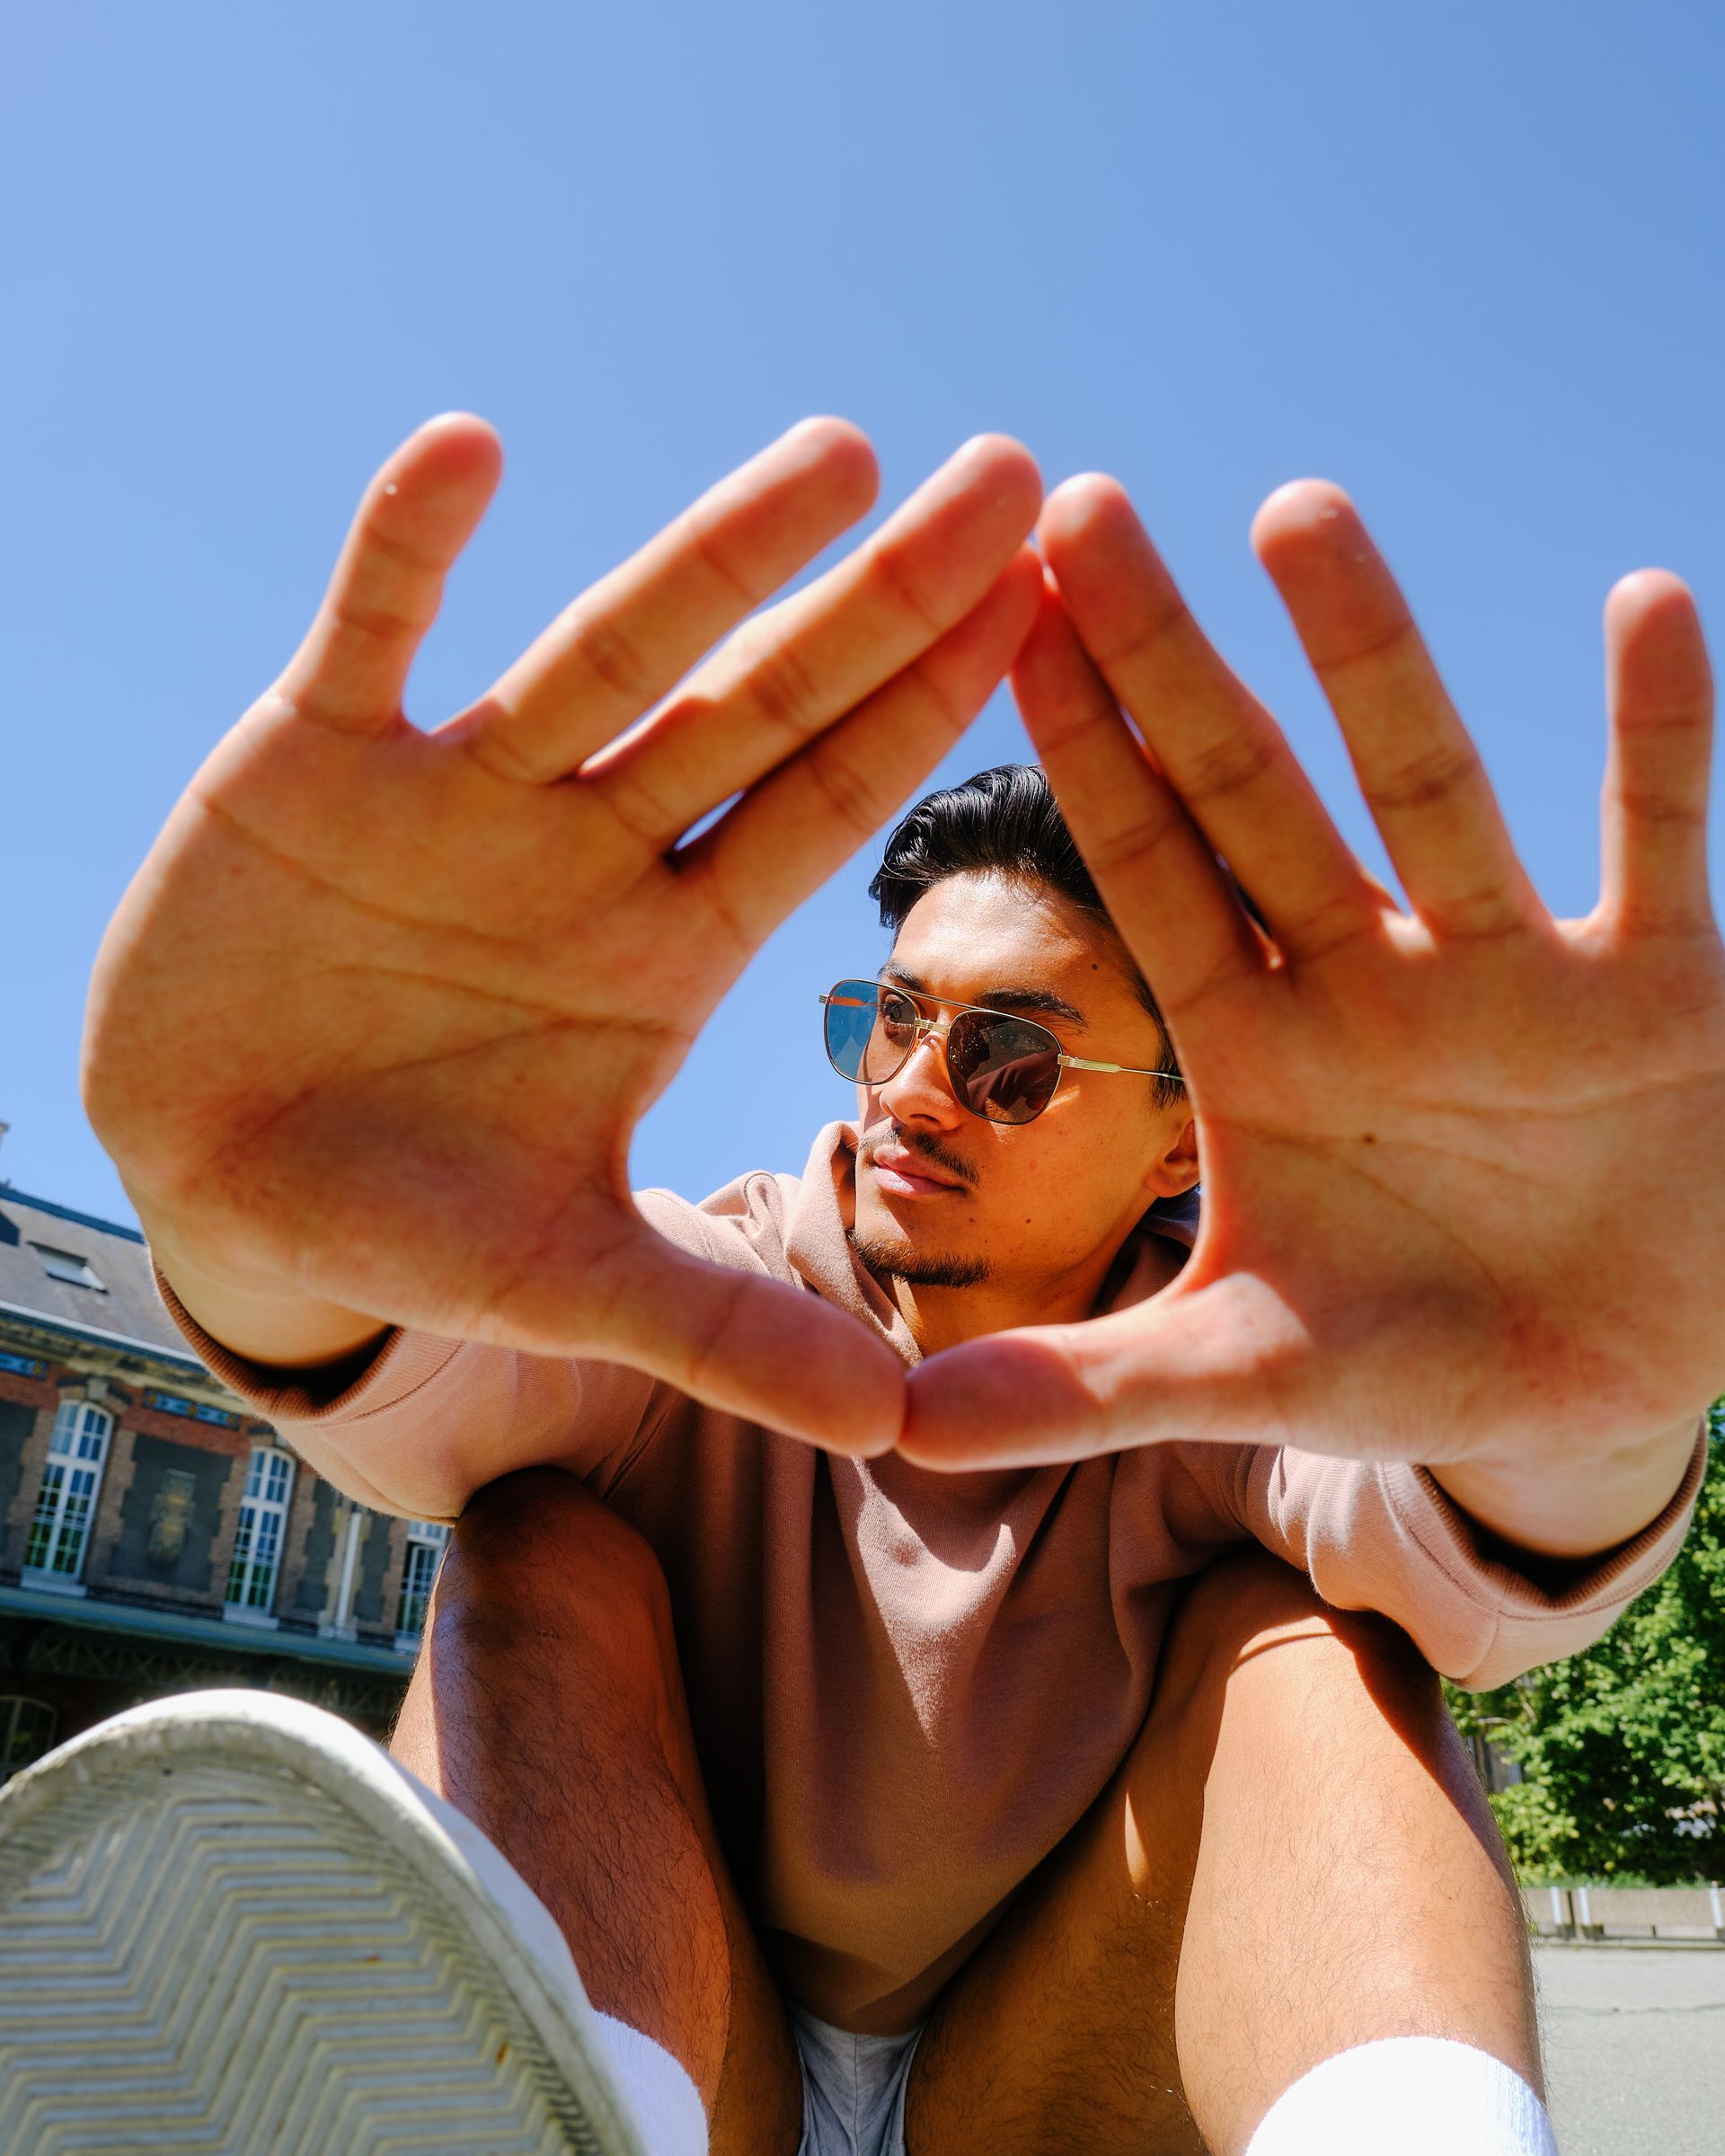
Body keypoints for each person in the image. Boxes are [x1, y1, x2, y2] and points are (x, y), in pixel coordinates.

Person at [0, 411, 1717, 2156]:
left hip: (1048, 2073)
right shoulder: (722, 1285)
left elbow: (1462, 1538)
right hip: (676, 2035)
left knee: (1302, 1645)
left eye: (1011, 1061)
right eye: (888, 1023)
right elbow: (444, 1371)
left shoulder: (1244, 1364)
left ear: (1187, 1151)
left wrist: (1601, 1412)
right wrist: (243, 1221)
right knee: (542, 1542)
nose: (907, 1089)